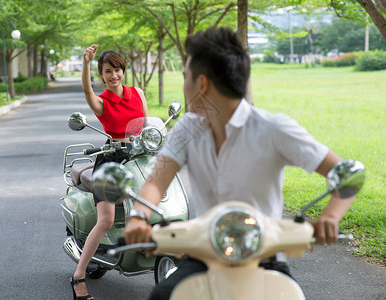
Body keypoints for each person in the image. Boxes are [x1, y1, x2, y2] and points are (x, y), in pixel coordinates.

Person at [123, 27, 356, 300]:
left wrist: (329, 218)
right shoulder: (187, 128)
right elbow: (157, 180)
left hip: (264, 256)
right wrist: (138, 216)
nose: (184, 86)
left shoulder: (272, 128)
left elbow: (345, 173)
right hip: (202, 254)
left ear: (202, 84)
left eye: (185, 77)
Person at [70, 45, 149, 300]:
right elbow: (86, 90)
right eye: (108, 71)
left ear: (123, 70)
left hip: (138, 157)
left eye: (117, 69)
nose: (114, 75)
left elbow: (147, 126)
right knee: (105, 220)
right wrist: (85, 64)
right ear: (101, 75)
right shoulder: (101, 102)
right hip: (111, 162)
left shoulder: (137, 92)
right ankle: (79, 276)